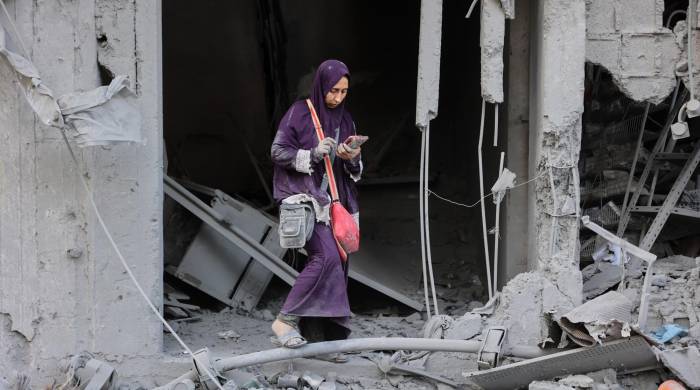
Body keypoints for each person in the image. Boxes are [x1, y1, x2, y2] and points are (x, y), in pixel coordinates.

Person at [270, 59, 362, 355]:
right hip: (307, 201)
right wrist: (311, 153)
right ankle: (284, 322)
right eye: (333, 90)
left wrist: (352, 158)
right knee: (325, 259)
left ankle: (326, 341)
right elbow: (277, 151)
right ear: (322, 84)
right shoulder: (300, 113)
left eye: (344, 91)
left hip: (336, 205)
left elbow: (353, 171)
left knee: (339, 266)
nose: (338, 97)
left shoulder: (346, 120)